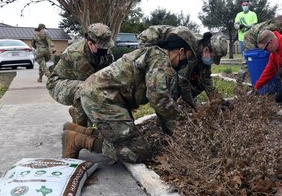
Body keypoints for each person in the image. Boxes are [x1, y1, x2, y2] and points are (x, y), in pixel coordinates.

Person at [61, 27, 198, 163]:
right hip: (102, 99)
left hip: (105, 97)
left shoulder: (155, 54)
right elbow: (158, 98)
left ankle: (78, 131)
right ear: (181, 51)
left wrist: (171, 131)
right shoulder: (160, 60)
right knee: (137, 151)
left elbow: (161, 101)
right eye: (188, 57)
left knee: (125, 138)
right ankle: (78, 140)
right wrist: (182, 122)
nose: (186, 63)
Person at [46, 23, 115, 127]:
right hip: (58, 84)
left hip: (79, 82)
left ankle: (76, 112)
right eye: (101, 47)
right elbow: (90, 88)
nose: (105, 50)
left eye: (106, 47)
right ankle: (81, 130)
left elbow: (109, 78)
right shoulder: (77, 55)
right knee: (84, 90)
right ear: (90, 43)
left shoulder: (106, 53)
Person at [173, 32, 231, 109]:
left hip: (182, 78)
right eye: (213, 58)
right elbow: (182, 81)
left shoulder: (204, 59)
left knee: (201, 83)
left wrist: (221, 102)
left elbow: (207, 82)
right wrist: (192, 105)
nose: (212, 62)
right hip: (170, 74)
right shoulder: (190, 49)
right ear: (206, 50)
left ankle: (183, 105)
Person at [237, 19, 282, 84]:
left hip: (256, 39)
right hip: (251, 38)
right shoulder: (277, 25)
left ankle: (261, 81)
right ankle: (241, 82)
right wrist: (262, 46)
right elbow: (262, 33)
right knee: (251, 60)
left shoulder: (279, 29)